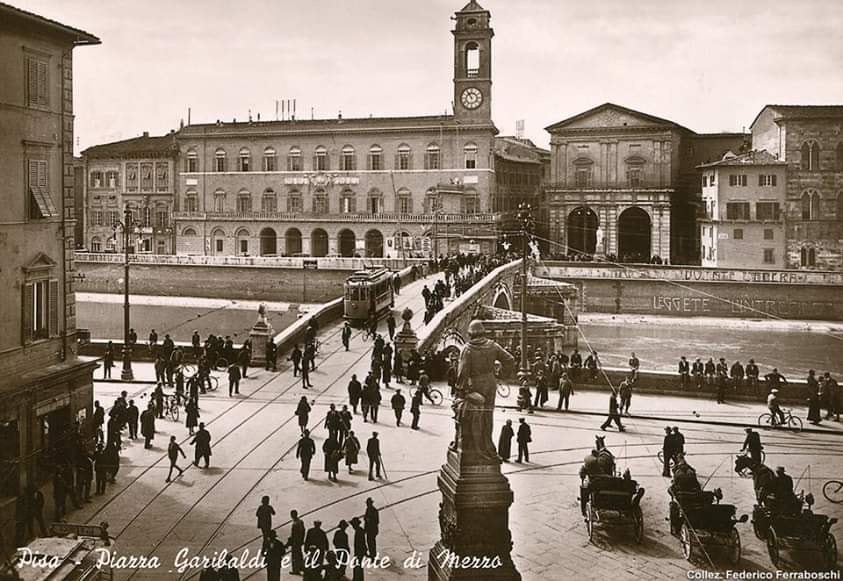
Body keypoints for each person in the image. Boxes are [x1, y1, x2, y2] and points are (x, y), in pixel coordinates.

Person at [289, 510, 305, 575]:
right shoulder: (300, 522)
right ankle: (301, 567)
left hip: (295, 542)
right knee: (299, 555)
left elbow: (294, 534)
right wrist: (302, 540)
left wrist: (291, 541)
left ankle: (296, 569)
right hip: (298, 541)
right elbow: (303, 531)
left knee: (295, 556)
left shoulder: (296, 523)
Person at [350, 517, 367, 581]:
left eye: (353, 525)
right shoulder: (359, 530)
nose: (353, 526)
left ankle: (357, 579)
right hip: (359, 552)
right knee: (358, 566)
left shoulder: (359, 531)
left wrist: (364, 551)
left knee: (357, 565)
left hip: (359, 552)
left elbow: (362, 542)